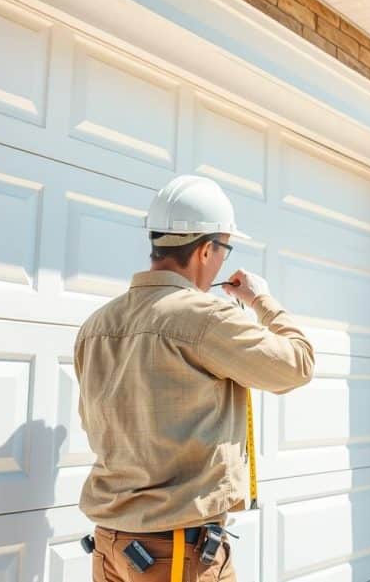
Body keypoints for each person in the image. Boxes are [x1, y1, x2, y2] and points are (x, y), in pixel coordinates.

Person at [74, 175, 315, 582]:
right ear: (206, 249)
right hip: (174, 553)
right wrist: (260, 300)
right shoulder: (203, 316)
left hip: (111, 545)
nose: (222, 261)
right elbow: (298, 364)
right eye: (225, 249)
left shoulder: (96, 325)